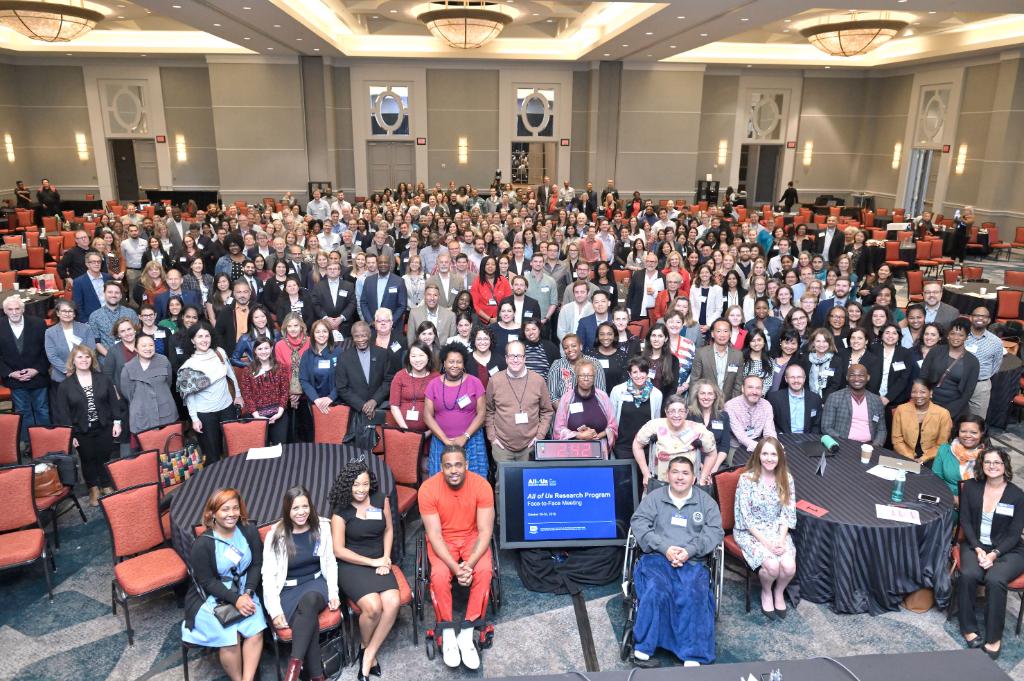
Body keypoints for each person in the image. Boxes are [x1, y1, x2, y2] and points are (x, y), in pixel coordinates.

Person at [628, 456, 722, 667]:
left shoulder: (706, 503)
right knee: (656, 589)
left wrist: (689, 551)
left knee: (693, 593)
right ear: (667, 475)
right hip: (657, 558)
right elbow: (639, 523)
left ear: (694, 478)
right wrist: (664, 548)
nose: (680, 477)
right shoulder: (654, 498)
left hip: (693, 561)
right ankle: (644, 647)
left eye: (685, 473)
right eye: (675, 472)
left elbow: (714, 531)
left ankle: (693, 652)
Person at [419, 445, 495, 670]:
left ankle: (470, 628)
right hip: (443, 539)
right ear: (441, 468)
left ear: (467, 465)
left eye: (458, 464)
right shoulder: (428, 489)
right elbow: (433, 534)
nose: (454, 470)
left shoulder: (481, 486)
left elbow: (485, 532)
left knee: (484, 570)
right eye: (448, 465)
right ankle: (448, 630)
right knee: (440, 574)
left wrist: (468, 565)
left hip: (472, 536)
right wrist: (455, 568)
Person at [183, 489, 266, 681]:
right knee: (230, 637)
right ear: (212, 513)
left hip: (245, 588)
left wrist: (247, 592)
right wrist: (236, 600)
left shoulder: (249, 531)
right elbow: (207, 582)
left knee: (255, 630)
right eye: (225, 509)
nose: (231, 514)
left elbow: (256, 564)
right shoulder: (202, 545)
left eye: (235, 508)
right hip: (212, 596)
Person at [329, 462, 400, 680]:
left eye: (365, 484)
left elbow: (389, 529)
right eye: (356, 485)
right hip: (353, 564)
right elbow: (338, 551)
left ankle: (367, 652)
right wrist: (372, 562)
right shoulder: (340, 512)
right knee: (373, 607)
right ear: (347, 485)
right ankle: (368, 651)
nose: (361, 489)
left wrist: (386, 558)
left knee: (393, 602)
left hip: (380, 560)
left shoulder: (381, 500)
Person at [262, 486, 340, 681]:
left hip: (316, 584)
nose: (301, 512)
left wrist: (333, 593)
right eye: (295, 508)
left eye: (305, 506)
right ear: (287, 510)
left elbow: (330, 563)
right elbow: (268, 575)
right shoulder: (275, 535)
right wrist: (275, 610)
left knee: (310, 601)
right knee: (306, 623)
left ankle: (292, 671)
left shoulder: (322, 527)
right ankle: (317, 676)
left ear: (311, 507)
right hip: (287, 590)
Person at [956, 449, 1024, 660]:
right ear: (981, 465)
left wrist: (993, 554)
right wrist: (978, 549)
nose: (992, 466)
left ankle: (994, 637)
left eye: (997, 462)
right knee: (968, 574)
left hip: (1008, 549)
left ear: (1005, 465)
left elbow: (1014, 534)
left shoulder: (1017, 495)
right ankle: (969, 628)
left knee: (995, 579)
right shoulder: (971, 488)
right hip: (975, 544)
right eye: (987, 462)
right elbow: (965, 522)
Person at [734, 437, 797, 620]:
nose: (769, 458)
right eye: (765, 453)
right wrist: (768, 544)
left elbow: (788, 512)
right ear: (758, 455)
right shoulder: (746, 479)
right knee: (772, 566)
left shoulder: (787, 479)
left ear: (780, 457)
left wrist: (780, 539)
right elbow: (745, 518)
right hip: (750, 532)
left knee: (789, 567)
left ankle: (779, 591)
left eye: (773, 454)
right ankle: (767, 591)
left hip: (777, 530)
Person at [52, 345, 123, 506]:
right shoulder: (65, 386)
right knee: (87, 458)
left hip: (104, 425)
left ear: (92, 359)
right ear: (73, 361)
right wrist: (70, 436)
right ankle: (93, 488)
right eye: (80, 357)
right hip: (80, 430)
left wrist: (117, 422)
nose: (84, 360)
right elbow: (63, 414)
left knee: (104, 456)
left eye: (87, 357)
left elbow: (113, 402)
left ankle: (105, 484)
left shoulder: (103, 378)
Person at [179, 321, 242, 464]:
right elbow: (190, 397)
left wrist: (238, 395)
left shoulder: (219, 352)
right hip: (205, 415)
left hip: (227, 408)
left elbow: (231, 374)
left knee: (233, 449)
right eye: (199, 336)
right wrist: (194, 419)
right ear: (192, 340)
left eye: (207, 336)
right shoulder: (188, 366)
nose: (204, 340)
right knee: (212, 455)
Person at [424, 343, 488, 477]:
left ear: (464, 364)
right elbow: (427, 416)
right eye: (451, 362)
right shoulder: (433, 384)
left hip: (471, 441)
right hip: (441, 441)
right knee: (440, 483)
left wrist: (465, 437)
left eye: (459, 362)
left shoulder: (475, 382)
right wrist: (446, 440)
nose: (455, 365)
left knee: (474, 480)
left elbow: (482, 414)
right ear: (444, 363)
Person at [485, 340, 554, 462]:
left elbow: (547, 411)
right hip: (502, 447)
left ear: (525, 358)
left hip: (530, 446)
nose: (515, 360)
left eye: (519, 356)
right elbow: (489, 410)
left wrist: (539, 436)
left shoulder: (538, 381)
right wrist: (492, 437)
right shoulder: (495, 381)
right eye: (512, 356)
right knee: (503, 481)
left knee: (528, 481)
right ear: (506, 358)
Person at [631, 393, 716, 488]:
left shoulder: (697, 429)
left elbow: (712, 454)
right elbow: (637, 446)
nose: (676, 415)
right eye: (672, 411)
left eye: (681, 411)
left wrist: (702, 478)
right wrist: (646, 473)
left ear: (686, 412)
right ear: (666, 412)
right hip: (659, 482)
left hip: (688, 484)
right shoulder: (654, 426)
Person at [0, 295, 50, 446]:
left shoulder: (38, 324)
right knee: (23, 411)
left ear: (23, 309)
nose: (14, 312)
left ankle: (46, 442)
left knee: (42, 410)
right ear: (5, 311)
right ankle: (29, 444)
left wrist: (36, 369)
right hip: (14, 379)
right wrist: (9, 373)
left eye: (17, 308)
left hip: (38, 376)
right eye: (10, 309)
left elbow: (47, 351)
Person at [335, 321, 396, 437]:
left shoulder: (382, 354)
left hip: (379, 408)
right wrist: (362, 405)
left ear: (369, 335)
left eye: (363, 335)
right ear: (352, 338)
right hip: (355, 411)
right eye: (356, 336)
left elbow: (388, 380)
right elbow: (342, 388)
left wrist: (374, 400)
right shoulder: (344, 358)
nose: (360, 339)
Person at [119, 333, 177, 447]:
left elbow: (168, 383)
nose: (148, 348)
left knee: (170, 450)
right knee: (150, 451)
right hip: (142, 415)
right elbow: (128, 393)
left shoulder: (163, 361)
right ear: (136, 348)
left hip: (165, 412)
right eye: (144, 345)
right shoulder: (128, 368)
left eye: (151, 345)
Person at [552, 357, 618, 457]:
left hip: (600, 451)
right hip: (573, 454)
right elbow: (558, 429)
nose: (586, 378)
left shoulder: (603, 397)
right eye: (582, 375)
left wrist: (597, 436)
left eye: (589, 375)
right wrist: (579, 435)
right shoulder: (566, 399)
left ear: (594, 377)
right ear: (576, 377)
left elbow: (613, 426)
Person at [920, 319, 979, 420]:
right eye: (953, 333)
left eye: (961, 335)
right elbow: (923, 375)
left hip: (955, 407)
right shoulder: (935, 351)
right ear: (948, 335)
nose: (956, 337)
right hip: (929, 402)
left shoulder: (973, 362)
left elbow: (968, 392)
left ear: (966, 337)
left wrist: (948, 413)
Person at [237, 336, 290, 444]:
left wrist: (279, 413)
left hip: (278, 414)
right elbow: (247, 395)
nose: (263, 351)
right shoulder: (248, 370)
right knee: (260, 449)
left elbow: (284, 392)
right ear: (255, 351)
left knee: (280, 447)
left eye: (266, 348)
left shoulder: (280, 368)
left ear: (271, 349)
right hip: (256, 416)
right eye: (260, 349)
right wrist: (257, 416)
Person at [821, 364, 886, 447]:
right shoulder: (834, 397)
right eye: (852, 375)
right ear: (847, 378)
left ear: (868, 377)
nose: (856, 379)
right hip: (843, 445)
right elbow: (826, 427)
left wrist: (875, 446)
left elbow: (881, 430)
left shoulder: (876, 400)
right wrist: (843, 442)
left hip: (869, 446)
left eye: (861, 375)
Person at [44, 299, 96, 390]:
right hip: (62, 377)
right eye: (64, 311)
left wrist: (80, 369)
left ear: (74, 314)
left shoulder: (86, 328)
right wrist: (67, 370)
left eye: (70, 311)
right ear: (57, 313)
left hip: (86, 373)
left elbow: (91, 350)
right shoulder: (50, 332)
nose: (67, 314)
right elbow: (52, 356)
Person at [723, 375, 777, 462]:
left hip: (760, 443)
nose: (754, 392)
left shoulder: (766, 405)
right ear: (743, 389)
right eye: (750, 387)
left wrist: (773, 445)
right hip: (737, 447)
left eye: (758, 388)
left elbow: (769, 431)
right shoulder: (730, 406)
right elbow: (741, 437)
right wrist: (763, 449)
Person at [933, 415, 988, 498]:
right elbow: (935, 478)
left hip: (978, 501)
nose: (968, 435)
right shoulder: (944, 449)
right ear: (958, 432)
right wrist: (952, 498)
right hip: (946, 496)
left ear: (982, 433)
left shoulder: (990, 456)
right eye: (963, 431)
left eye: (974, 432)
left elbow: (994, 487)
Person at [689, 318, 744, 401]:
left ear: (730, 334)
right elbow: (694, 381)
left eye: (725, 331)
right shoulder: (701, 353)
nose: (722, 335)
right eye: (718, 331)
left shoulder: (738, 355)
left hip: (728, 403)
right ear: (712, 334)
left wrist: (732, 405)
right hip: (705, 402)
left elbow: (738, 384)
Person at [389, 341, 438, 433]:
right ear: (408, 358)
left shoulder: (436, 378)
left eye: (421, 355)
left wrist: (429, 432)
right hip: (402, 432)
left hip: (431, 433)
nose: (417, 360)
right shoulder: (400, 376)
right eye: (413, 356)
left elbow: (441, 410)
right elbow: (394, 406)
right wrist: (406, 430)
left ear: (428, 357)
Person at [965, 306, 1004, 419]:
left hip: (980, 386)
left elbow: (996, 366)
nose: (980, 318)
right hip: (959, 382)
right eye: (977, 315)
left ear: (989, 320)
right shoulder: (962, 336)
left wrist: (981, 377)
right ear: (971, 318)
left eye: (984, 316)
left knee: (977, 420)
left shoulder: (996, 342)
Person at [766, 363, 822, 435]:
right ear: (786, 379)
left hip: (808, 439)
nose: (796, 380)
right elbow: (770, 422)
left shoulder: (815, 399)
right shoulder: (774, 398)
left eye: (799, 377)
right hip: (783, 439)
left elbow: (817, 424)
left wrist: (811, 439)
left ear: (804, 378)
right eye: (792, 377)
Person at [71, 251, 111, 322]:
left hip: (110, 315)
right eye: (93, 262)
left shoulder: (107, 277)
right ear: (87, 264)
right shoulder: (79, 282)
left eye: (99, 262)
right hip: (91, 319)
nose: (97, 264)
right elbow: (78, 305)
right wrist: (86, 322)